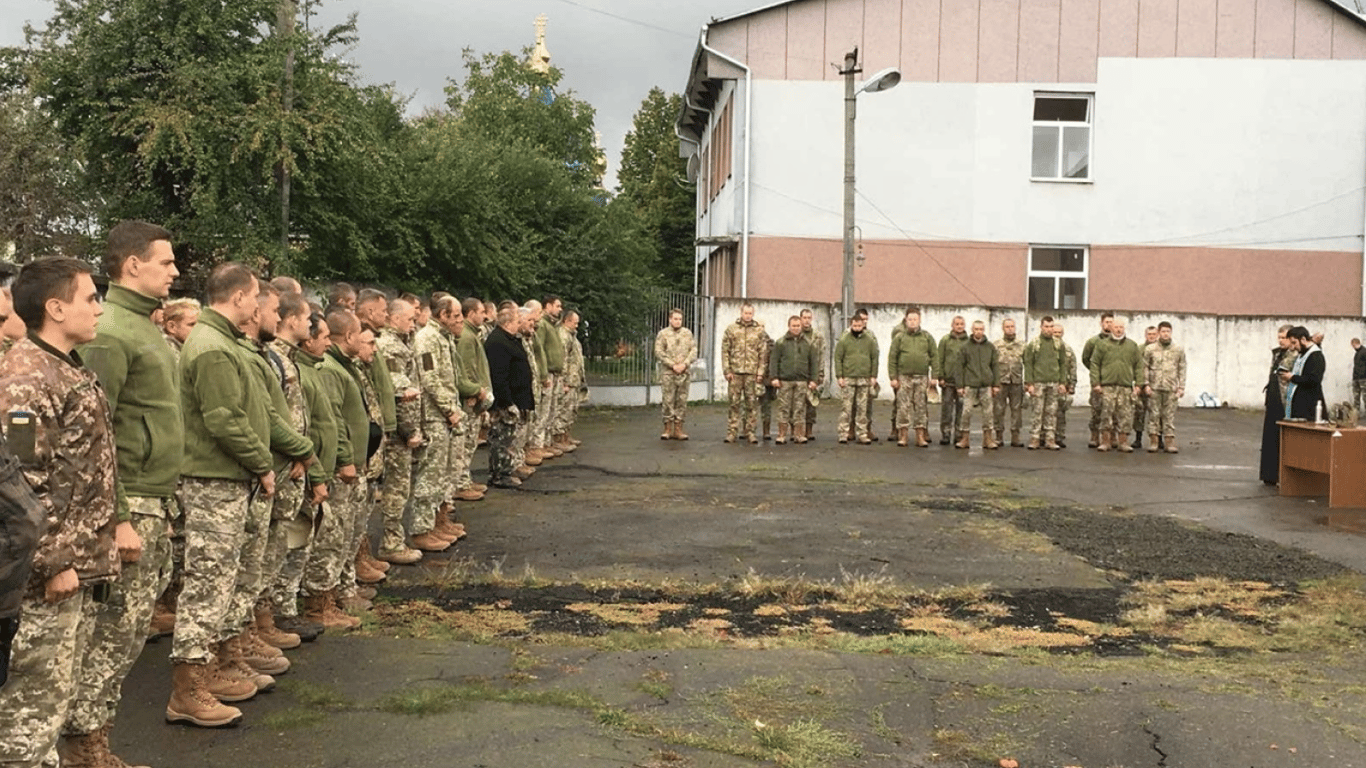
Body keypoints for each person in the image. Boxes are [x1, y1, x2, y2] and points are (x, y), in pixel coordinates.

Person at [0, 257, 124, 763]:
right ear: (55, 307)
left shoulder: (63, 365)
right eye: (90, 297)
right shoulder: (27, 378)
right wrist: (55, 561)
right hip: (42, 577)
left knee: (49, 707)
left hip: (73, 564)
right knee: (27, 716)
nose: (99, 308)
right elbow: (21, 484)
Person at [67, 221, 181, 763]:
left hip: (154, 498)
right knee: (111, 636)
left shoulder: (142, 326)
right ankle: (83, 744)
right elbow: (95, 433)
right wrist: (118, 516)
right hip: (132, 501)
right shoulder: (112, 332)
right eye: (165, 261)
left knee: (129, 633)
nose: (175, 271)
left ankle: (92, 738)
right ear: (132, 265)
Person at [168, 262, 274, 728]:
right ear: (237, 297)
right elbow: (224, 419)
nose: (257, 306)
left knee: (223, 581)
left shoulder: (222, 341)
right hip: (213, 479)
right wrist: (263, 461)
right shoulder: (211, 347)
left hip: (226, 477)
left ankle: (214, 666)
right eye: (254, 296)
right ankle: (186, 689)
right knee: (207, 585)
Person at [410, 296, 466, 551]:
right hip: (433, 416)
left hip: (443, 415)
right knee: (430, 475)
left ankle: (438, 520)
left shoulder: (443, 337)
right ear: (442, 315)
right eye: (455, 315)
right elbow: (430, 379)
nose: (460, 319)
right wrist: (449, 410)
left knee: (444, 473)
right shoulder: (427, 339)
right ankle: (422, 529)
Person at [374, 298, 423, 565]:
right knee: (396, 488)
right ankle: (391, 542)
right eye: (408, 319)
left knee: (400, 487)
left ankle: (394, 539)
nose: (412, 324)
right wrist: (409, 431)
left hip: (401, 429)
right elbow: (400, 391)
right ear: (394, 319)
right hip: (397, 433)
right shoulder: (390, 346)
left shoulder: (403, 343)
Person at [485, 305, 536, 488]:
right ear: (507, 323)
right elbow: (499, 376)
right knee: (501, 439)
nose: (518, 325)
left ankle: (508, 469)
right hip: (505, 401)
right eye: (516, 322)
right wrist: (507, 402)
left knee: (509, 438)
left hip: (516, 397)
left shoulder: (509, 339)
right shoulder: (498, 342)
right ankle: (499, 474)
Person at [1089, 318, 1145, 453]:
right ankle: (1106, 441)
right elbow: (1094, 364)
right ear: (1111, 328)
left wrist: (1139, 384)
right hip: (1107, 386)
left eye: (1121, 327)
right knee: (1106, 414)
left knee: (1125, 415)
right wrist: (1096, 383)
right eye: (1116, 327)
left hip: (1125, 386)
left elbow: (1139, 366)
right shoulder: (1102, 345)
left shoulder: (1132, 346)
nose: (1118, 330)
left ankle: (1123, 442)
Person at [887, 308, 938, 447]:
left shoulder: (927, 337)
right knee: (903, 407)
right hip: (904, 377)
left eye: (915, 319)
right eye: (910, 319)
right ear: (906, 320)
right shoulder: (900, 338)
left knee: (921, 407)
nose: (912, 322)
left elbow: (934, 357)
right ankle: (903, 435)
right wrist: (893, 377)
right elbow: (892, 358)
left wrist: (934, 376)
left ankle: (920, 436)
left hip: (921, 378)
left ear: (919, 320)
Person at [721, 303, 768, 444]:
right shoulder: (732, 329)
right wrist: (727, 370)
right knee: (734, 404)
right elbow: (725, 351)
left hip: (752, 373)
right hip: (735, 373)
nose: (748, 316)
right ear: (741, 313)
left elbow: (763, 353)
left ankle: (750, 432)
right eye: (745, 313)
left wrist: (760, 373)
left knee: (751, 405)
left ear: (753, 314)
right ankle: (732, 432)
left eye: (750, 313)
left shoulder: (759, 331)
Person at [768, 316, 818, 444]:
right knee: (784, 408)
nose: (796, 328)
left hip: (802, 381)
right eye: (793, 326)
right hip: (785, 381)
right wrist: (774, 377)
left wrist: (813, 380)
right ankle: (781, 434)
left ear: (801, 327)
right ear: (789, 326)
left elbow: (813, 363)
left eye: (798, 326)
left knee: (799, 408)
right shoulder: (781, 343)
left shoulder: (809, 343)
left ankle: (798, 434)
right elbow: (774, 361)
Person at [952, 320, 1000, 450]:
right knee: (966, 412)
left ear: (984, 330)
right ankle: (964, 438)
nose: (979, 331)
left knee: (988, 413)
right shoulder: (965, 347)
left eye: (981, 329)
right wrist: (960, 386)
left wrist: (996, 384)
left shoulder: (990, 347)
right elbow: (959, 367)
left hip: (986, 385)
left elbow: (995, 366)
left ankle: (988, 439)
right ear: (972, 330)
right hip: (970, 384)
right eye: (976, 329)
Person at [1260, 325, 1297, 484]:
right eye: (1279, 337)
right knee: (1270, 435)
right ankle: (1269, 475)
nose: (1281, 341)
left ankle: (1283, 475)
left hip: (1285, 399)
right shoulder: (1277, 353)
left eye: (1284, 338)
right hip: (1273, 397)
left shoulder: (1296, 354)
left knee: (1282, 437)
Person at [834, 311, 878, 444]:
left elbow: (874, 358)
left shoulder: (869, 340)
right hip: (848, 377)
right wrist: (839, 376)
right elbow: (838, 358)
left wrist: (873, 376)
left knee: (862, 408)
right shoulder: (844, 340)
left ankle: (862, 433)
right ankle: (843, 433)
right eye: (855, 326)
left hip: (864, 378)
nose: (857, 328)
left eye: (860, 326)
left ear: (863, 325)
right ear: (851, 325)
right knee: (846, 408)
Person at [1023, 316, 1066, 450]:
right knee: (1037, 411)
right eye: (1046, 326)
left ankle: (1050, 439)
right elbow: (1028, 364)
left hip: (1054, 382)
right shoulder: (1034, 344)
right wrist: (1029, 383)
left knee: (1052, 412)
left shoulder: (1058, 344)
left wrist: (1062, 382)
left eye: (1051, 326)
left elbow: (1063, 364)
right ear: (1041, 327)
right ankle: (1035, 438)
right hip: (1038, 383)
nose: (1049, 329)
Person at [1143, 321, 1186, 453]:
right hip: (1155, 387)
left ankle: (1169, 442)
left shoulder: (1178, 349)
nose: (1165, 334)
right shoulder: (1150, 349)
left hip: (1171, 388)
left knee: (1169, 416)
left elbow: (1182, 368)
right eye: (1163, 331)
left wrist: (1181, 387)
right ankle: (1154, 441)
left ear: (1171, 332)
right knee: (1154, 416)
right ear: (1159, 333)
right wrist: (1146, 384)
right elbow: (1144, 367)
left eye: (1168, 331)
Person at [654, 308, 697, 440]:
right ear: (670, 319)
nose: (678, 321)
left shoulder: (687, 333)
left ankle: (678, 429)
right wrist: (672, 365)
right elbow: (658, 351)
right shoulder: (663, 334)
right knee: (668, 400)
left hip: (684, 372)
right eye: (675, 319)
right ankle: (667, 428)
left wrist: (685, 364)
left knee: (681, 401)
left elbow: (693, 350)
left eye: (680, 319)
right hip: (669, 372)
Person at [1081, 313, 1114, 448]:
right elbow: (1086, 359)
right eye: (1106, 322)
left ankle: (1111, 437)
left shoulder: (1118, 342)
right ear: (1101, 323)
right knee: (1096, 409)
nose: (1109, 325)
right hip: (1098, 382)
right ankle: (1094, 436)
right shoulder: (1093, 342)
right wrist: (1096, 374)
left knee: (1113, 411)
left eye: (1111, 322)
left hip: (1112, 381)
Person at [993, 319, 1025, 447]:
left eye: (1012, 326)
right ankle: (999, 435)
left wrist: (1028, 381)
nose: (1010, 329)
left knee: (1016, 409)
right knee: (999, 409)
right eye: (1007, 326)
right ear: (1003, 328)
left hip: (1016, 381)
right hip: (1001, 381)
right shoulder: (996, 345)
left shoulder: (1022, 345)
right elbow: (992, 365)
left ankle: (1015, 436)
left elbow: (1028, 363)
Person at [1282, 326, 1326, 421]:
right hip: (1299, 405)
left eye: (1294, 343)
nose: (1293, 347)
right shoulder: (1303, 353)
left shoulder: (1316, 356)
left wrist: (1292, 377)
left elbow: (1313, 380)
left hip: (1309, 407)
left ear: (1303, 339)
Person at [555, 309, 585, 447]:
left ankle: (566, 435)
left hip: (574, 379)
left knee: (571, 410)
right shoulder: (563, 336)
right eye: (575, 322)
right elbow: (563, 360)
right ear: (566, 321)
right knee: (563, 410)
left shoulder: (571, 336)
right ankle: (559, 439)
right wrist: (564, 382)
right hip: (568, 380)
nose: (577, 326)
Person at [937, 316, 968, 445]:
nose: (959, 326)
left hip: (963, 382)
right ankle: (946, 433)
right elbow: (940, 359)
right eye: (957, 324)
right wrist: (940, 376)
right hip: (948, 381)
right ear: (952, 325)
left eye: (961, 324)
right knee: (947, 409)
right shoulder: (945, 340)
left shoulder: (969, 342)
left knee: (962, 409)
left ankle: (959, 434)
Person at [1130, 326, 1160, 449]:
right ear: (1145, 335)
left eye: (1154, 334)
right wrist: (1138, 384)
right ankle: (1138, 439)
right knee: (1139, 412)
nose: (1151, 336)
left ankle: (1159, 439)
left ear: (1157, 335)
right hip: (1141, 385)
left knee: (1157, 414)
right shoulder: (1139, 349)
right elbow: (1135, 366)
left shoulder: (1160, 349)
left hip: (1157, 385)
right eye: (1149, 334)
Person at [799, 308, 825, 440]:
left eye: (809, 318)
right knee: (798, 403)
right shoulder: (796, 334)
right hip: (799, 373)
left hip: (813, 374)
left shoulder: (818, 336)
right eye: (804, 317)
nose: (807, 320)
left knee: (811, 403)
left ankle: (809, 430)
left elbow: (821, 356)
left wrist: (819, 375)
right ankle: (798, 430)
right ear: (800, 318)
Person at [1054, 323, 1078, 449]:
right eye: (1055, 332)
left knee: (1061, 413)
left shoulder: (1068, 349)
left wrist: (1072, 385)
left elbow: (1073, 367)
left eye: (1059, 332)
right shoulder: (1045, 348)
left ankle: (1059, 437)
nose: (1057, 335)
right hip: (1050, 383)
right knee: (1045, 412)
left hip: (1064, 385)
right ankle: (1044, 436)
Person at [1351, 338, 1365, 418]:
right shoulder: (1357, 353)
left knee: (1364, 397)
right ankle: (1356, 414)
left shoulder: (1364, 352)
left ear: (1354, 343)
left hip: (1363, 378)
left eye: (1352, 345)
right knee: (1356, 397)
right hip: (1356, 378)